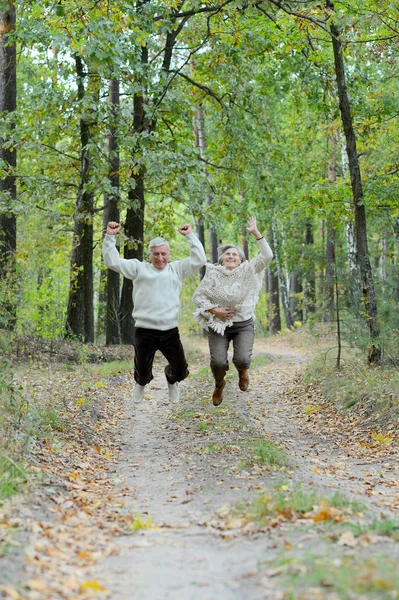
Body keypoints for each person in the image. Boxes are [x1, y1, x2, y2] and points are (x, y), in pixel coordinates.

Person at [103, 221, 206, 404]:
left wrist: (190, 236)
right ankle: (141, 383)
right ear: (150, 254)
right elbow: (113, 262)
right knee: (141, 375)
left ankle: (171, 378)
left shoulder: (177, 269)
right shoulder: (139, 268)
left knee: (181, 371)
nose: (160, 258)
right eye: (156, 254)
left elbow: (199, 259)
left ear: (169, 254)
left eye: (163, 254)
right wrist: (111, 237)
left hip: (169, 331)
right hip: (145, 331)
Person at [192, 216, 273, 406]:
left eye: (235, 254)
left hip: (243, 324)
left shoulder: (248, 270)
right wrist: (214, 310)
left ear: (240, 260)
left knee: (242, 359)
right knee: (218, 363)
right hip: (218, 325)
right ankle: (219, 384)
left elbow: (267, 256)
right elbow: (198, 296)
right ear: (222, 258)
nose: (231, 256)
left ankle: (242, 371)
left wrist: (255, 233)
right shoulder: (213, 273)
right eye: (227, 254)